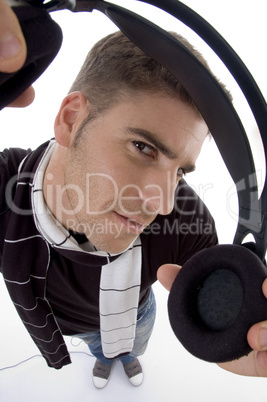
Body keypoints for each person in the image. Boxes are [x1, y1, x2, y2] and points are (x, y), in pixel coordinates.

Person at [1, 0, 267, 389]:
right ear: (71, 119)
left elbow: (221, 289)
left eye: (179, 172)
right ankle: (102, 357)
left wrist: (231, 337)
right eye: (143, 148)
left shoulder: (186, 220)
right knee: (98, 347)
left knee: (130, 346)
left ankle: (125, 356)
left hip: (135, 318)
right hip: (70, 326)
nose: (161, 205)